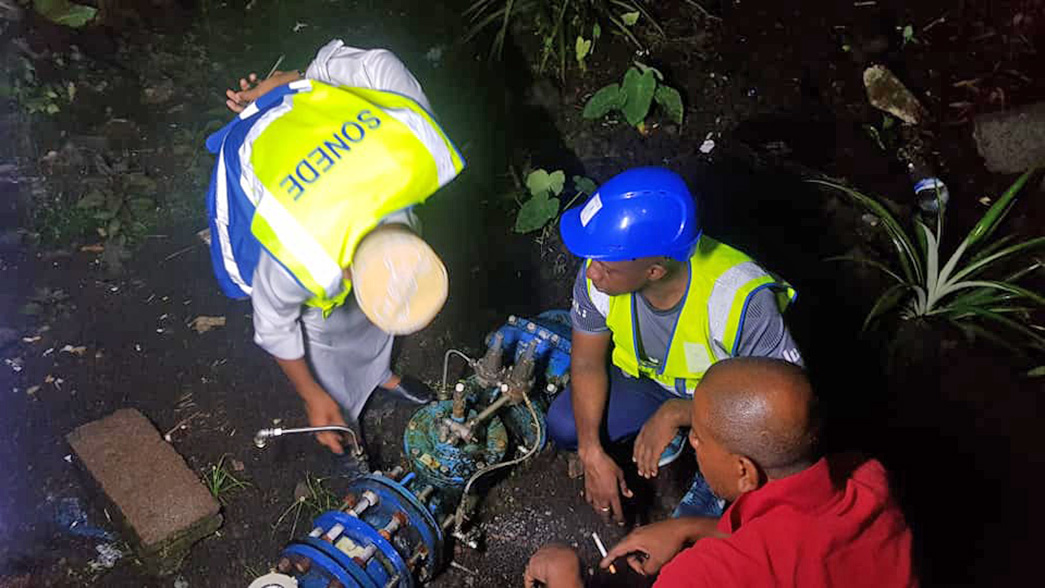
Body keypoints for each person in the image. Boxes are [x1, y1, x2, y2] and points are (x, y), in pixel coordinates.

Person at [205, 40, 464, 455]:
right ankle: (342, 412)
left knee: (377, 310)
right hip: (258, 159)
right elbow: (273, 327)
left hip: (317, 123)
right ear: (342, 270)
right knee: (322, 323)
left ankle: (376, 371)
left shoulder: (413, 139)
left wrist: (295, 77)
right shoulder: (299, 251)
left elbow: (378, 62)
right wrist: (313, 397)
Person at [548, 167, 802, 523]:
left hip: (724, 407)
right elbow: (587, 363)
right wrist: (591, 452)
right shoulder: (599, 272)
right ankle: (673, 436)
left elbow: (781, 410)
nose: (591, 272)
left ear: (654, 270)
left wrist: (678, 414)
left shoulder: (740, 300)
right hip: (648, 383)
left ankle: (712, 480)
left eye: (606, 267)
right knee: (564, 424)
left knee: (762, 442)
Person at [525, 358, 917, 587]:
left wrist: (566, 577)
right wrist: (687, 528)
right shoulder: (869, 478)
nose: (692, 442)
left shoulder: (707, 575)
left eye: (699, 437)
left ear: (744, 471)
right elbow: (788, 537)